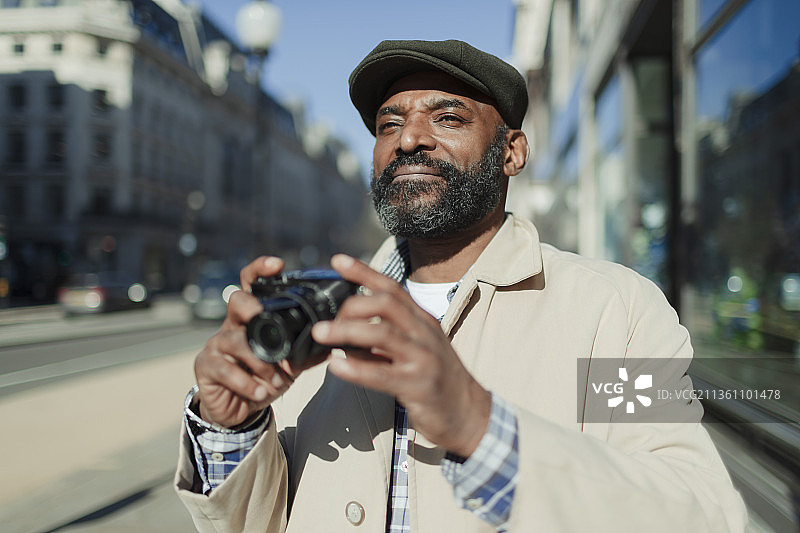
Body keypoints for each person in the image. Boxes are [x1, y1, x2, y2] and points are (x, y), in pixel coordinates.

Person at [175, 39, 747, 532]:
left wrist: (480, 425)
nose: (408, 140)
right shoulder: (318, 311)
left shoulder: (615, 311)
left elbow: (700, 511)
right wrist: (233, 428)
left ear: (512, 152)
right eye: (389, 123)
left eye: (447, 118)